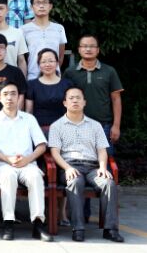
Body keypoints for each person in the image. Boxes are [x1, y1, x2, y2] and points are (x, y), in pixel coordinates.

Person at [48, 86, 123, 242]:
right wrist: (67, 168)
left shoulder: (95, 125)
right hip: (70, 166)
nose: (75, 101)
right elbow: (55, 152)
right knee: (75, 182)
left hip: (92, 167)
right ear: (65, 103)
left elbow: (102, 150)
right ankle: (78, 228)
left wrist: (102, 167)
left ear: (84, 102)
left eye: (78, 98)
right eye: (71, 98)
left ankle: (110, 229)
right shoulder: (56, 126)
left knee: (109, 183)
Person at [0, 81, 53, 241]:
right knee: (8, 177)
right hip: (3, 164)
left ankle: (38, 224)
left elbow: (41, 145)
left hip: (28, 163)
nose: (9, 98)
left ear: (19, 97)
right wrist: (7, 158)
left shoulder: (29, 119)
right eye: (5, 94)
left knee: (35, 177)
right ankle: (8, 223)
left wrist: (27, 159)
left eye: (13, 94)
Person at [63, 35, 123, 151]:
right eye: (84, 46)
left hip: (103, 125)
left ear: (98, 50)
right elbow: (64, 99)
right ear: (79, 49)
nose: (88, 49)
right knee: (77, 159)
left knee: (105, 159)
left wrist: (116, 126)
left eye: (92, 46)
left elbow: (116, 99)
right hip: (75, 125)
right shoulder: (70, 72)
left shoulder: (109, 71)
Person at [22, 0, 67, 80]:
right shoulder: (23, 30)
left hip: (55, 78)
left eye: (45, 2)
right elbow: (22, 58)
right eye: (37, 3)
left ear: (50, 6)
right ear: (31, 7)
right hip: (33, 78)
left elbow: (61, 56)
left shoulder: (59, 29)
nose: (41, 6)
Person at [26, 48, 72, 127]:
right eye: (43, 62)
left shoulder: (67, 84)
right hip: (39, 128)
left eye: (51, 61)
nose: (47, 65)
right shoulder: (32, 85)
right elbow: (29, 112)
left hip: (63, 128)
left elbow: (72, 110)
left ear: (57, 63)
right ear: (39, 65)